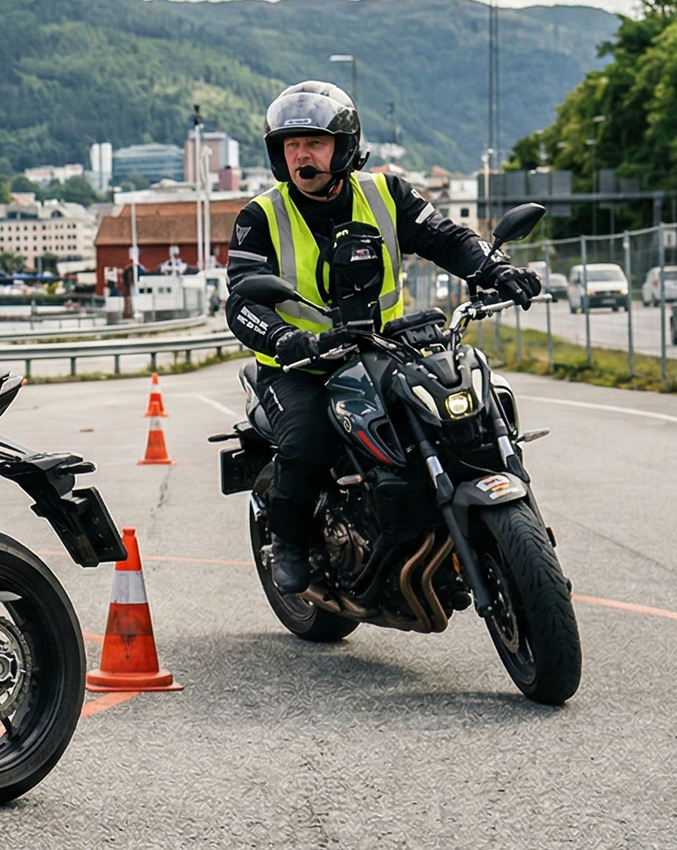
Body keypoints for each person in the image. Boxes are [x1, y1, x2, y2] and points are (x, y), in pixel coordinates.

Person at [224, 82, 541, 595]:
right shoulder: (261, 217)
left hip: (384, 349)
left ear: (344, 146)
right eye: (291, 145)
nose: (302, 155)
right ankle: (290, 541)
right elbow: (242, 298)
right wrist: (286, 339)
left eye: (315, 142)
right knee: (306, 442)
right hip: (301, 366)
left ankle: (488, 534)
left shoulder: (386, 194)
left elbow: (445, 238)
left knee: (461, 408)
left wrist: (493, 267)